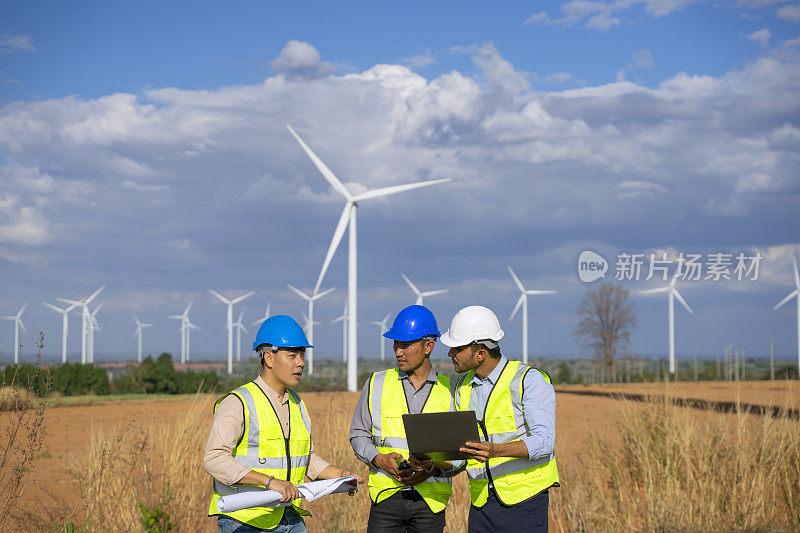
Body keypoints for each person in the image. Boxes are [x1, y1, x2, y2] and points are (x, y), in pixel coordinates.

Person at [205, 314, 364, 532]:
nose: (300, 363)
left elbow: (306, 458)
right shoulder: (239, 402)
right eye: (292, 356)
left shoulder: (297, 403)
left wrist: (340, 475)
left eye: (302, 356)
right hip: (245, 521)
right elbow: (214, 459)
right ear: (269, 358)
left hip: (289, 517)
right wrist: (270, 482)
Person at [440, 306, 559, 533]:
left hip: (525, 503)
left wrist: (496, 450)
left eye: (457, 347)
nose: (450, 353)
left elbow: (544, 442)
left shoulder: (528, 380)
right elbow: (461, 455)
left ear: (480, 353)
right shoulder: (462, 388)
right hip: (481, 506)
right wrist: (433, 464)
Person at [349, 305, 457, 533]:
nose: (398, 351)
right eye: (395, 343)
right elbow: (358, 435)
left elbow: (462, 454)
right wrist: (379, 459)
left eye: (405, 344)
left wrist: (432, 470)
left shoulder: (452, 391)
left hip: (431, 503)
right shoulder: (376, 383)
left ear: (429, 346)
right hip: (386, 499)